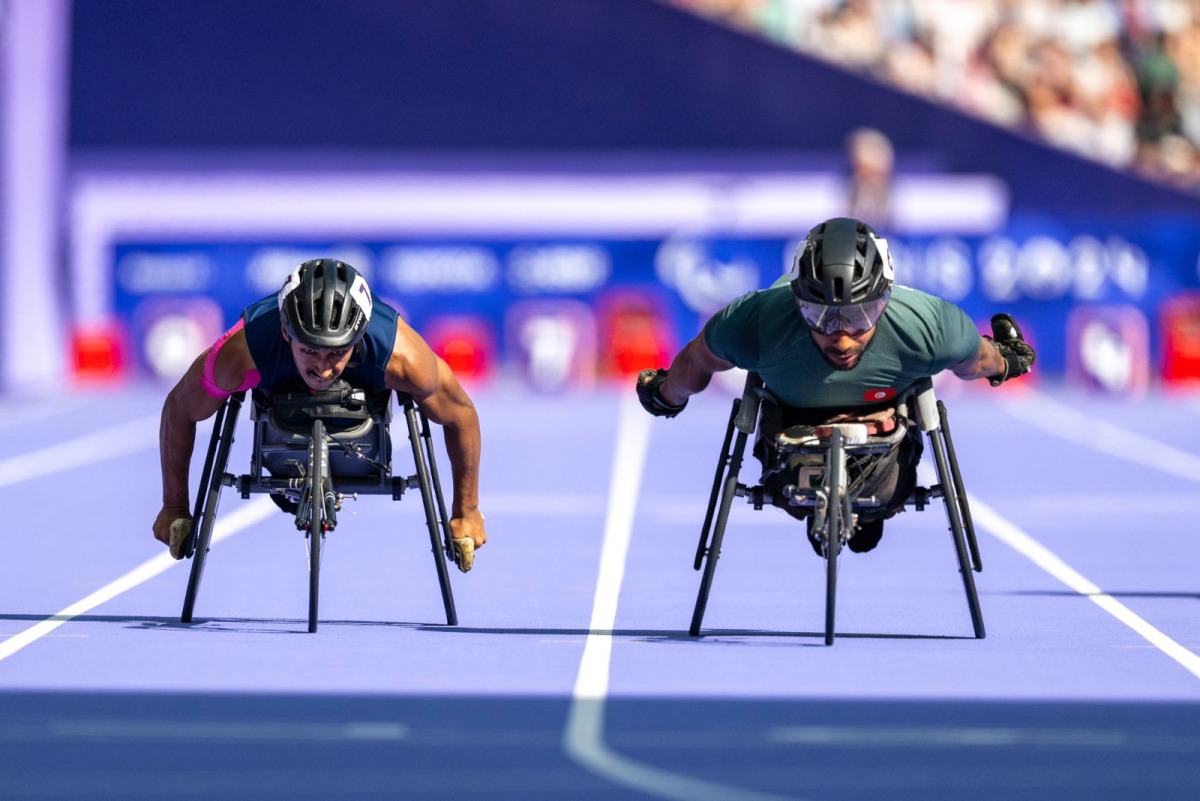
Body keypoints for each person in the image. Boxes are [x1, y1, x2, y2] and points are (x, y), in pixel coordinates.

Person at [636, 217, 1035, 554]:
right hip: (788, 445)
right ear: (797, 301)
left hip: (887, 449)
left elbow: (979, 360)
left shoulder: (927, 324)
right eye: (821, 316)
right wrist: (669, 392)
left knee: (872, 519)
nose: (842, 337)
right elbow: (698, 360)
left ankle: (872, 508)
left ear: (885, 298)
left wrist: (1006, 359)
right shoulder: (757, 319)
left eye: (860, 317)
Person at [153, 258, 487, 571]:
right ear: (286, 333)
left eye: (337, 353)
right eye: (309, 350)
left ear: (357, 340)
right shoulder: (240, 353)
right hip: (276, 395)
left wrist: (466, 510)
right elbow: (179, 409)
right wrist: (175, 508)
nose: (323, 368)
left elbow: (460, 414)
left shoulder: (405, 359)